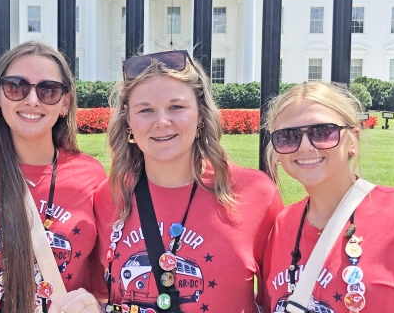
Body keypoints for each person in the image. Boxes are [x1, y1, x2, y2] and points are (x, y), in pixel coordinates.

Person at [93, 50, 283, 312]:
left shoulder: (256, 194)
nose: (162, 122)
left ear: (201, 116)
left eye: (176, 107)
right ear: (128, 122)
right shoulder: (109, 195)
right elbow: (101, 295)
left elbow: (276, 300)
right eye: (146, 110)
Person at [260, 82, 394, 312]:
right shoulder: (282, 225)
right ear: (277, 151)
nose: (306, 146)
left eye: (322, 132)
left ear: (353, 139)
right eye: (288, 137)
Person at [0, 41, 106, 312]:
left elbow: (102, 282)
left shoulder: (92, 176)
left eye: (48, 90)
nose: (32, 100)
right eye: (16, 86)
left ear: (65, 103)